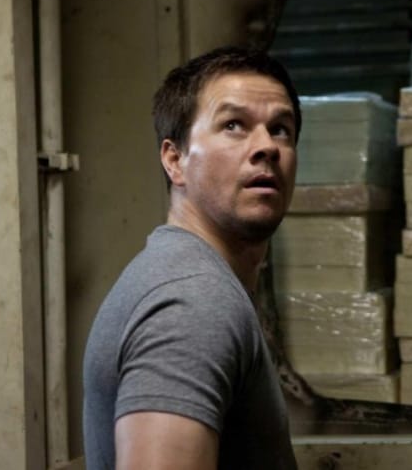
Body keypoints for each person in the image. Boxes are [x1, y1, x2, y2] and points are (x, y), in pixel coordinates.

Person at [82, 46, 301, 469]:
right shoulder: (194, 304)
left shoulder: (189, 279)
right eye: (233, 125)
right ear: (175, 160)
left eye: (280, 129)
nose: (267, 147)